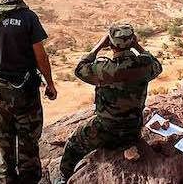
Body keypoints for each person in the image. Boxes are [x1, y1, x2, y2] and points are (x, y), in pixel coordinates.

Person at [55, 24, 162, 183]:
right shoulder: (144, 66)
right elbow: (157, 65)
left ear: (111, 44)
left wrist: (98, 46)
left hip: (105, 129)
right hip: (133, 130)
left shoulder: (103, 68)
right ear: (132, 41)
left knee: (74, 143)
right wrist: (137, 45)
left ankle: (64, 177)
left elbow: (79, 69)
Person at [0, 0, 57, 183]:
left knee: (4, 141)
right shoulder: (28, 17)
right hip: (25, 91)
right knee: (28, 142)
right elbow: (41, 56)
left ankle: (7, 179)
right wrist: (50, 84)